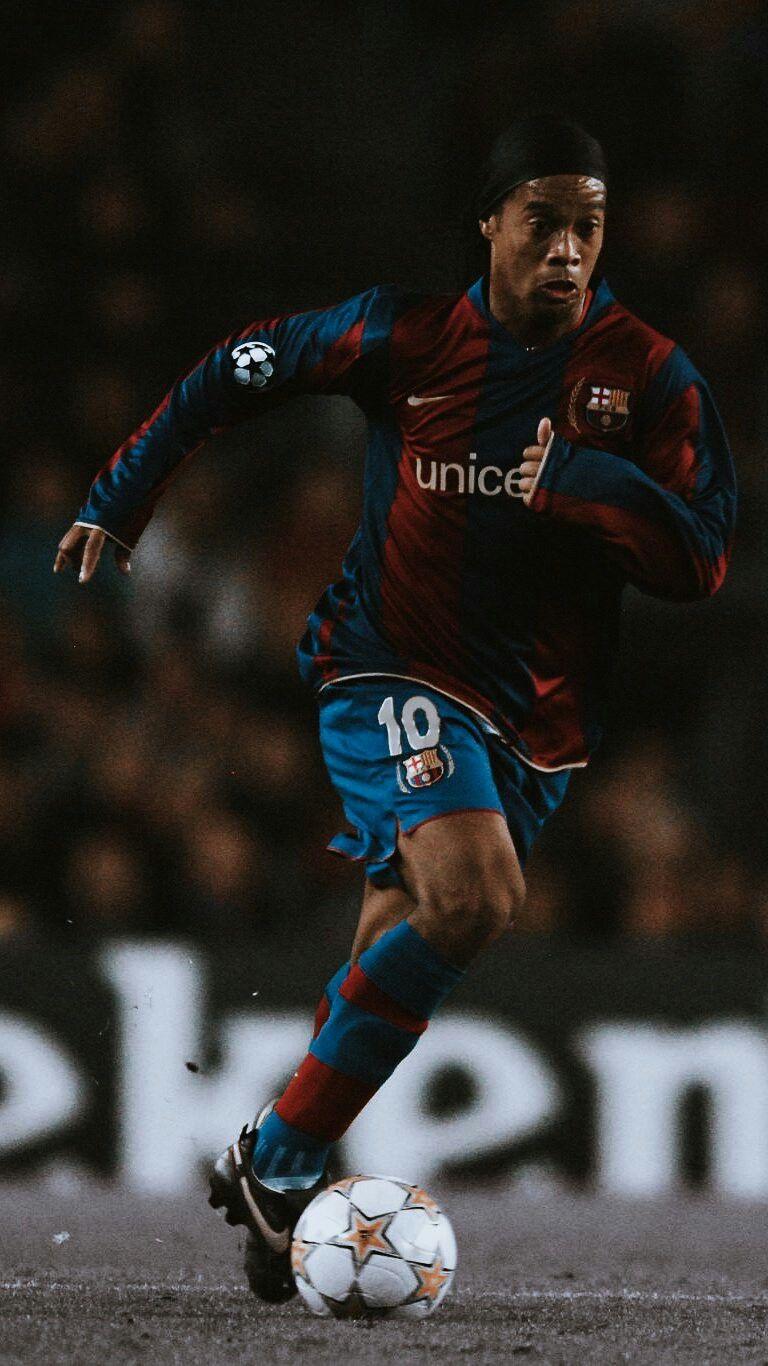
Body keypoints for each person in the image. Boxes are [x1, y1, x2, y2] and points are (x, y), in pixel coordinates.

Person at [54, 114, 736, 1303]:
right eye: (542, 222)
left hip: (540, 725)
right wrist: (122, 493)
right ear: (491, 224)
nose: (567, 249)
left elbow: (703, 562)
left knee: (404, 934)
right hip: (391, 669)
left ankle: (285, 1176)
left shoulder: (649, 375)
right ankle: (275, 1156)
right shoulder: (402, 335)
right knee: (477, 898)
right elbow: (237, 369)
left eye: (588, 226)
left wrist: (590, 483)